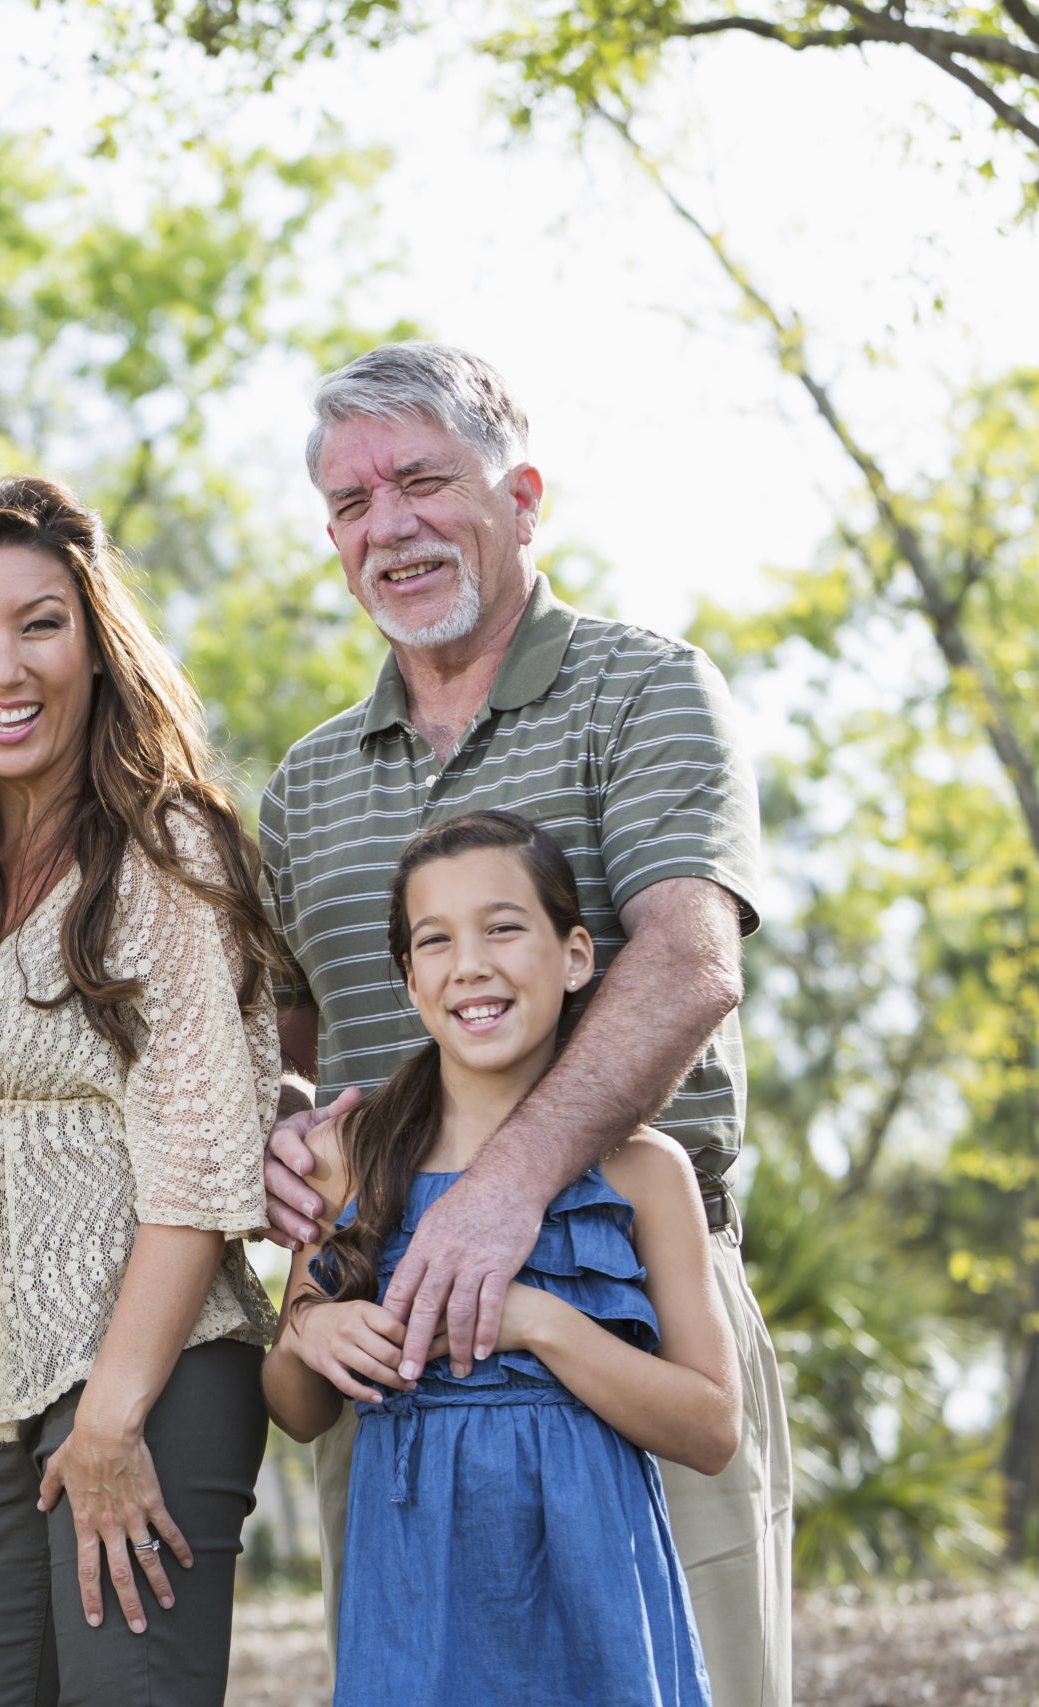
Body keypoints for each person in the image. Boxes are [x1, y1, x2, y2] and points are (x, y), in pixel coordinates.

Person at [258, 341, 794, 1705]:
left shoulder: (646, 689)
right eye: (351, 502)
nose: (390, 525)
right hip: (394, 1347)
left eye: (423, 480)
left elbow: (684, 964)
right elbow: (289, 1032)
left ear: (522, 495)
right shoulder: (307, 784)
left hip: (631, 1299)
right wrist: (276, 1131)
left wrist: (504, 1191)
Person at [0, 475, 280, 1705]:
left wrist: (112, 1419)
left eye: (39, 622)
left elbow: (203, 1160)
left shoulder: (167, 850)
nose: (3, 665)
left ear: (96, 643)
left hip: (150, 1378)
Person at [266, 809, 738, 1704]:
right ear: (409, 980)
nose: (471, 964)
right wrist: (308, 1336)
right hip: (415, 1596)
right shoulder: (349, 1154)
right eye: (435, 940)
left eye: (504, 927)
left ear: (576, 956)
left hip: (599, 1599)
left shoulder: (645, 1170)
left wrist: (538, 1321)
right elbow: (295, 1412)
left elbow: (711, 1428)